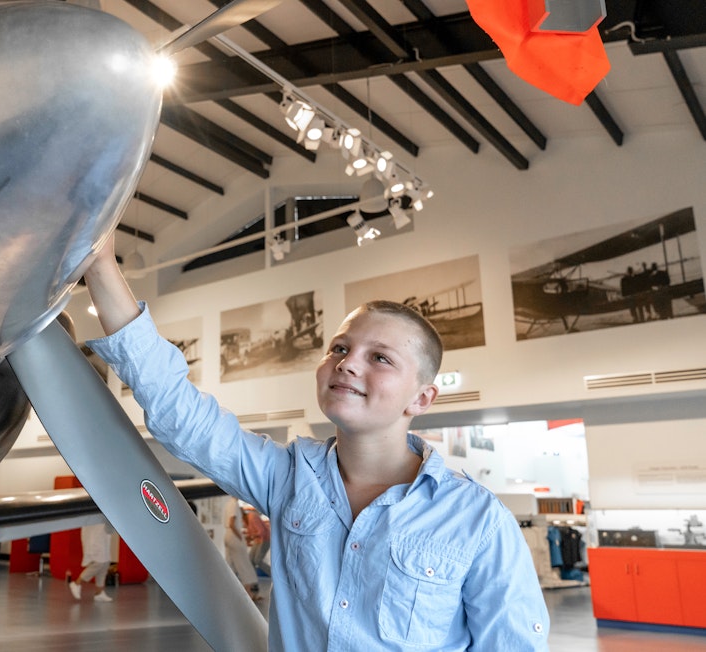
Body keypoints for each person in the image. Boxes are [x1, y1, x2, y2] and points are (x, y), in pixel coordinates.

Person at [82, 237, 549, 650]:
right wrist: (101, 264)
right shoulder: (287, 479)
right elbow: (182, 416)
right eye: (340, 348)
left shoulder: (478, 520)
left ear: (422, 397)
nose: (347, 364)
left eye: (380, 357)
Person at [224, 498, 262, 601]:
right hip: (234, 536)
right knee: (244, 564)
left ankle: (227, 593)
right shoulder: (234, 504)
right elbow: (232, 523)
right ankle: (250, 593)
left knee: (230, 564)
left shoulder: (228, 504)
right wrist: (240, 537)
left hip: (228, 535)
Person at [69, 520, 114, 602]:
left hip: (103, 534)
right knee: (99, 563)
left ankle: (99, 593)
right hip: (94, 535)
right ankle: (76, 583)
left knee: (105, 563)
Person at [244, 504, 272, 577]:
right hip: (258, 540)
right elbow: (251, 532)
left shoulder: (252, 517)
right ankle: (252, 579)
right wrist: (248, 538)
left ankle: (273, 575)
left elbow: (261, 532)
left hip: (265, 539)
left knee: (257, 560)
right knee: (250, 560)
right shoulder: (247, 519)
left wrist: (252, 537)